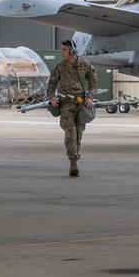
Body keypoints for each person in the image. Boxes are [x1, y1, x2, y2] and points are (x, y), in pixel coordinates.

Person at [47, 39, 97, 177]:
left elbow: (93, 82)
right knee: (70, 132)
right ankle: (73, 162)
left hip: (81, 102)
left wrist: (90, 97)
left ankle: (75, 157)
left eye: (64, 49)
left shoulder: (85, 65)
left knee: (78, 134)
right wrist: (52, 97)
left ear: (72, 51)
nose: (61, 52)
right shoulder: (60, 66)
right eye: (61, 49)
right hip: (66, 103)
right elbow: (51, 83)